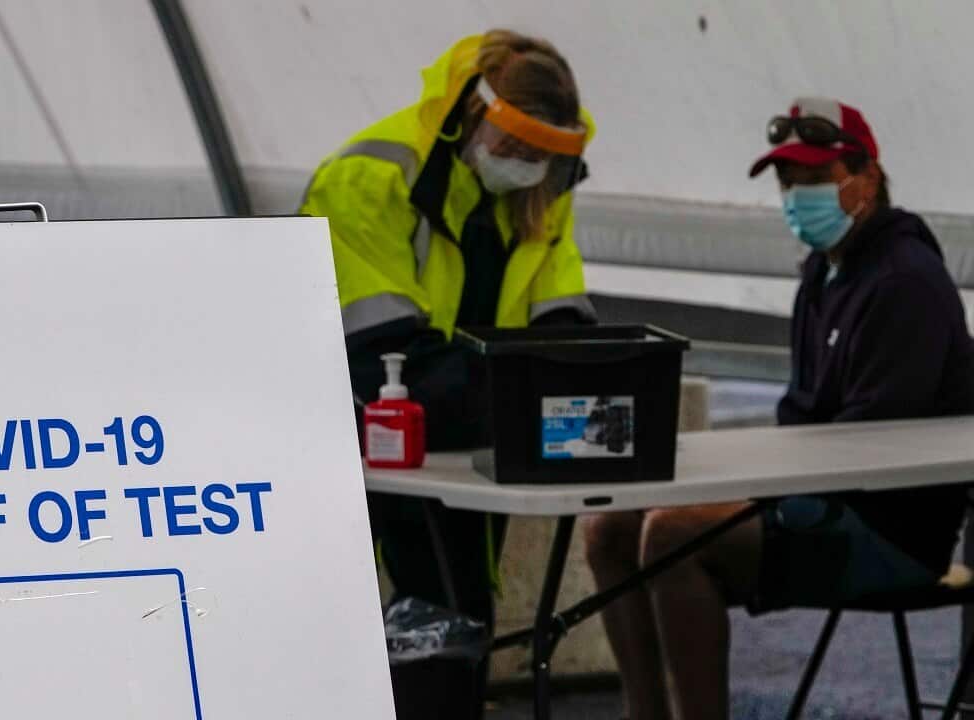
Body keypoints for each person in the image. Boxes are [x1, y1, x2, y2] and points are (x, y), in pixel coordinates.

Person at [581, 97, 974, 720]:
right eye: (789, 183)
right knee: (611, 527)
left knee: (672, 535)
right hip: (826, 501)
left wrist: (744, 497)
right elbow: (801, 420)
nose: (796, 197)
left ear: (866, 178)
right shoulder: (823, 276)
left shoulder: (904, 283)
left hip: (888, 532)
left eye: (814, 180)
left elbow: (872, 447)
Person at [299, 28, 597, 709]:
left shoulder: (545, 187)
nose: (526, 166)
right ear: (474, 110)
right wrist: (524, 386)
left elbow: (564, 327)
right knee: (350, 627)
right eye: (517, 147)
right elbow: (383, 360)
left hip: (467, 450)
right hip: (353, 439)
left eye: (543, 155)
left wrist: (567, 375)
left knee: (455, 624)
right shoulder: (371, 175)